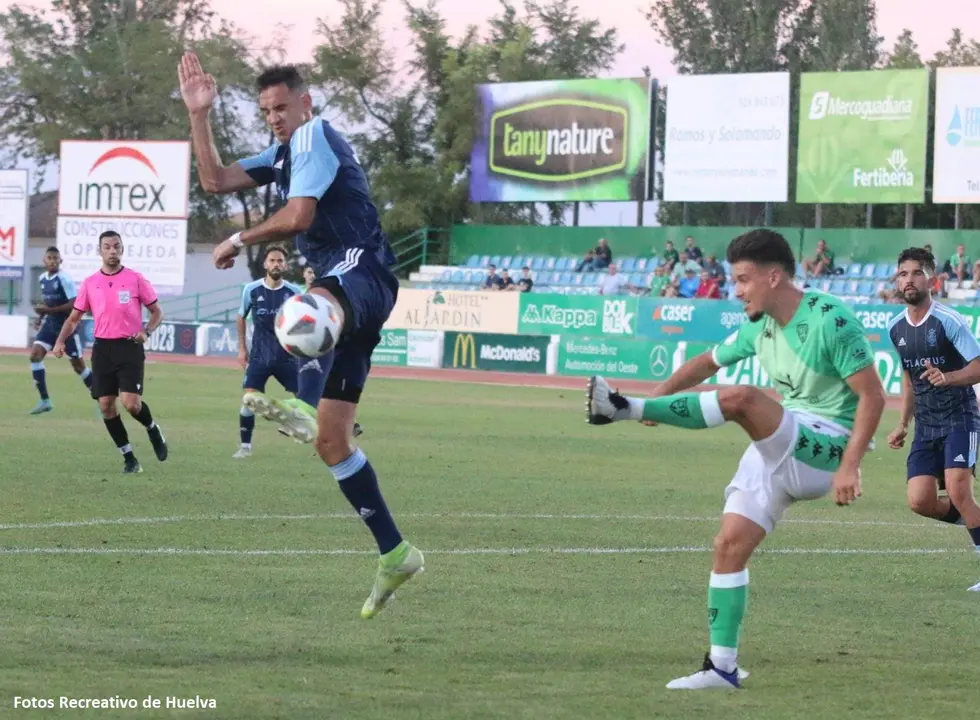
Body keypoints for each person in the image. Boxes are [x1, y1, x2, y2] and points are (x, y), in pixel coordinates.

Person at [585, 228, 885, 689]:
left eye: (743, 279)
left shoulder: (830, 318)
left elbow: (873, 396)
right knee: (728, 545)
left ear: (774, 276)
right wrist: (662, 392)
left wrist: (850, 463)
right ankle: (722, 669)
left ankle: (621, 408)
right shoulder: (757, 326)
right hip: (780, 438)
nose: (736, 289)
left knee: (743, 398)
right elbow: (707, 362)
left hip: (824, 446)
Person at [179, 53, 422, 618]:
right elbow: (215, 180)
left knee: (300, 320)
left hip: (360, 274)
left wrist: (238, 242)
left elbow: (300, 217)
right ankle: (395, 553)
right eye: (266, 111)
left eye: (281, 107)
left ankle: (300, 400)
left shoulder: (314, 134)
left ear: (305, 103)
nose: (275, 117)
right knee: (333, 443)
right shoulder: (283, 152)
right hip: (349, 290)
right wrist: (199, 115)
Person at [884, 247, 980, 592]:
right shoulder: (894, 326)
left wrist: (949, 377)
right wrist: (902, 423)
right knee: (920, 501)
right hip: (925, 423)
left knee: (958, 490)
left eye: (915, 273)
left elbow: (978, 366)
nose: (908, 280)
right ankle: (977, 523)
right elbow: (908, 378)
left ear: (932, 280)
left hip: (960, 417)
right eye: (903, 274)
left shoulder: (948, 321)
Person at [52, 231, 169, 474]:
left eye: (116, 246)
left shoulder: (135, 279)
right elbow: (74, 318)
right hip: (102, 348)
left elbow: (157, 312)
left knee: (131, 404)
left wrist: (146, 331)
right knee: (105, 405)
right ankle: (129, 458)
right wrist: (60, 341)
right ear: (100, 251)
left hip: (129, 347)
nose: (112, 251)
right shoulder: (90, 283)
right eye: (107, 247)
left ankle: (152, 428)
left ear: (122, 249)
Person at [234, 244, 319, 458]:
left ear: (285, 265)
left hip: (287, 358)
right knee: (249, 401)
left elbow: (304, 321)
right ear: (265, 264)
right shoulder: (251, 290)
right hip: (259, 357)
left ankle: (322, 438)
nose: (276, 264)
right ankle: (245, 448)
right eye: (272, 260)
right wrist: (242, 348)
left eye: (280, 261)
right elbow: (241, 317)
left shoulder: (293, 292)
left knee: (307, 400)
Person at [28, 246, 94, 413]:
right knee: (35, 356)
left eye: (55, 258)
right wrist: (40, 317)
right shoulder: (43, 278)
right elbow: (48, 303)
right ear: (44, 261)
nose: (52, 261)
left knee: (79, 367)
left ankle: (103, 399)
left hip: (68, 326)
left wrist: (46, 311)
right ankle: (45, 401)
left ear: (60, 261)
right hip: (51, 324)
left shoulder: (64, 279)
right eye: (49, 258)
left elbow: (73, 304)